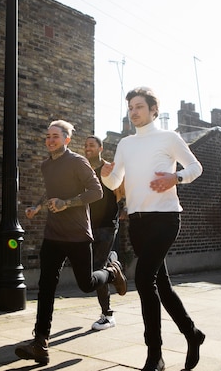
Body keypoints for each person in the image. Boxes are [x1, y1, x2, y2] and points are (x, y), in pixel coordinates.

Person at [101, 87, 205, 371]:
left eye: (139, 106)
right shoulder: (125, 144)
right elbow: (115, 184)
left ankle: (154, 355)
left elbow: (196, 168)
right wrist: (106, 175)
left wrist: (176, 177)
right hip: (137, 223)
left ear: (153, 110)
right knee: (162, 285)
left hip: (165, 219)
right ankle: (193, 334)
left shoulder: (169, 138)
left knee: (144, 279)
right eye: (130, 108)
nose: (133, 111)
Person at [15, 120, 127, 365]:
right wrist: (38, 206)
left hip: (77, 233)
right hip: (53, 233)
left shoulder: (77, 161)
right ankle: (41, 342)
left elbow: (96, 192)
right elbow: (50, 191)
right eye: (48, 136)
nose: (50, 140)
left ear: (66, 139)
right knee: (46, 287)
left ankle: (111, 271)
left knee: (86, 284)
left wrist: (68, 203)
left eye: (55, 136)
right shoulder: (46, 165)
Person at [84, 135, 125, 331]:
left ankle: (107, 315)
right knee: (89, 268)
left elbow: (121, 189)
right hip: (88, 226)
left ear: (100, 148)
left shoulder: (108, 169)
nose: (87, 148)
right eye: (85, 145)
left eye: (91, 145)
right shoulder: (84, 171)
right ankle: (114, 265)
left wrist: (124, 209)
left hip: (108, 225)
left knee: (96, 268)